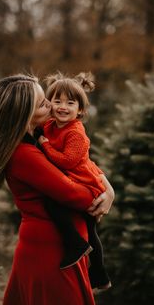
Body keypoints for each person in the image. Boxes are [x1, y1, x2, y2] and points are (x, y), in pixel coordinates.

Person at [0, 74, 114, 305]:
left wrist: (108, 189)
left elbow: (81, 162)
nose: (52, 105)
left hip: (59, 245)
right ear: (24, 114)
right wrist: (100, 192)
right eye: (43, 103)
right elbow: (76, 195)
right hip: (51, 251)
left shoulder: (42, 134)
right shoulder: (25, 155)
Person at [38, 72, 112, 289]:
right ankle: (99, 275)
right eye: (57, 101)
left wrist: (45, 145)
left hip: (85, 184)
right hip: (72, 181)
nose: (62, 107)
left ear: (80, 110)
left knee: (87, 229)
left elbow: (68, 162)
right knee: (87, 228)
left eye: (70, 103)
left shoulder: (76, 133)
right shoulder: (50, 126)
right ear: (48, 103)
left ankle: (86, 256)